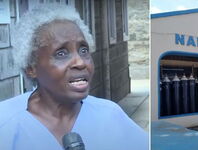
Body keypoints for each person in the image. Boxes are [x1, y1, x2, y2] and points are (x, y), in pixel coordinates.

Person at [0, 4, 148, 150]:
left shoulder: (110, 115)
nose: (80, 62)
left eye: (84, 50)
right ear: (31, 68)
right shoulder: (5, 123)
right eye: (61, 53)